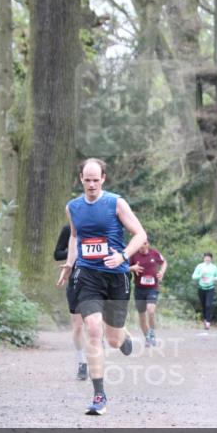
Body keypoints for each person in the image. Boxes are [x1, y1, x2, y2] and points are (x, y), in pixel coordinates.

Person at [57, 158, 148, 415]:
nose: (92, 185)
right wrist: (69, 264)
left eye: (96, 180)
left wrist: (123, 256)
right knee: (94, 329)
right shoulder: (73, 207)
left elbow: (140, 234)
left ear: (104, 179)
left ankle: (123, 336)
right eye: (87, 180)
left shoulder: (116, 203)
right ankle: (99, 396)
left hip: (116, 276)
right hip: (88, 276)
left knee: (113, 339)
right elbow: (75, 236)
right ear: (81, 179)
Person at [54, 224, 88, 380]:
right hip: (76, 281)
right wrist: (74, 253)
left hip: (97, 280)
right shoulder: (68, 229)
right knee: (78, 326)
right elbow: (57, 254)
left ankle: (97, 358)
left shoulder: (98, 225)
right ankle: (82, 363)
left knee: (96, 324)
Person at [128, 240, 166, 347]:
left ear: (147, 244)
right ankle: (147, 338)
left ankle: (152, 333)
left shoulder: (154, 253)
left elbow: (164, 262)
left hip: (152, 288)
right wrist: (132, 268)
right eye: (139, 245)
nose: (141, 247)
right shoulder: (133, 255)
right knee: (142, 316)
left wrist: (162, 272)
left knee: (151, 310)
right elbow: (124, 268)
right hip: (139, 289)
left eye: (143, 244)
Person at [192, 252, 217, 330]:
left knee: (208, 305)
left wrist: (213, 278)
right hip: (201, 288)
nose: (207, 259)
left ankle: (208, 322)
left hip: (210, 288)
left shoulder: (214, 267)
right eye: (206, 258)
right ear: (204, 258)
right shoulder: (200, 266)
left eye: (209, 258)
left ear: (211, 259)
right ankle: (205, 320)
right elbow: (194, 276)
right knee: (203, 305)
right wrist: (200, 275)